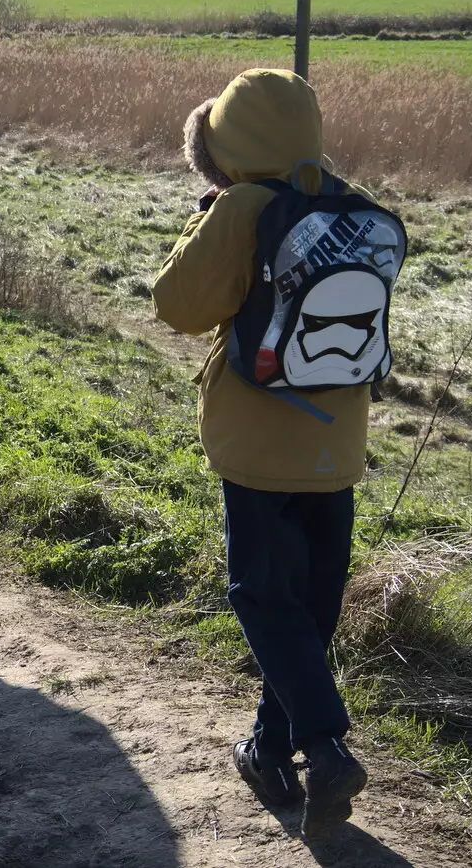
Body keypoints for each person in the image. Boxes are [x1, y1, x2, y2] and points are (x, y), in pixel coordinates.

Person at [152, 69, 371, 838]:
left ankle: (324, 744)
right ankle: (271, 747)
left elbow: (177, 306)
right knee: (309, 603)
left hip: (255, 439)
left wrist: (201, 223)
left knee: (258, 592)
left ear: (229, 139)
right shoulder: (346, 201)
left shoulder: (244, 206)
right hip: (337, 440)